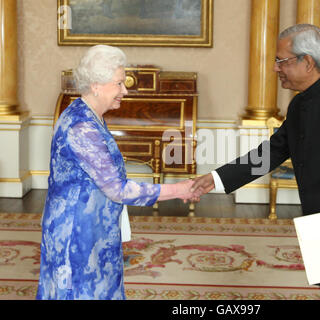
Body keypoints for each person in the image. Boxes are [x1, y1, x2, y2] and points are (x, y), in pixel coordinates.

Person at [191, 24, 320, 300]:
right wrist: (216, 178)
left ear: (307, 62)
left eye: (281, 61)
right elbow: (274, 151)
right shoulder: (301, 105)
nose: (275, 68)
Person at [36, 45, 199, 300]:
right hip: (76, 235)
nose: (125, 90)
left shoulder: (91, 116)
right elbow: (118, 189)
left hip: (93, 228)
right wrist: (179, 189)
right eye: (119, 83)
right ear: (97, 85)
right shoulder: (81, 127)